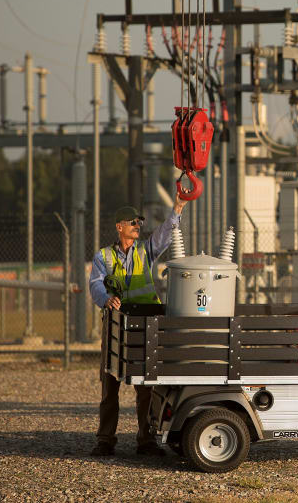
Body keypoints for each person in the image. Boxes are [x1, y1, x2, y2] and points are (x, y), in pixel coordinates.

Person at [88, 192, 187, 457]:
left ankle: (146, 440)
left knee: (146, 389)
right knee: (110, 387)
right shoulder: (104, 257)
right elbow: (96, 283)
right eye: (132, 222)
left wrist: (177, 208)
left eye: (139, 223)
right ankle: (105, 440)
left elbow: (164, 234)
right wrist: (106, 299)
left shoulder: (145, 250)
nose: (137, 226)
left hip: (144, 328)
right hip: (116, 327)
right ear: (119, 226)